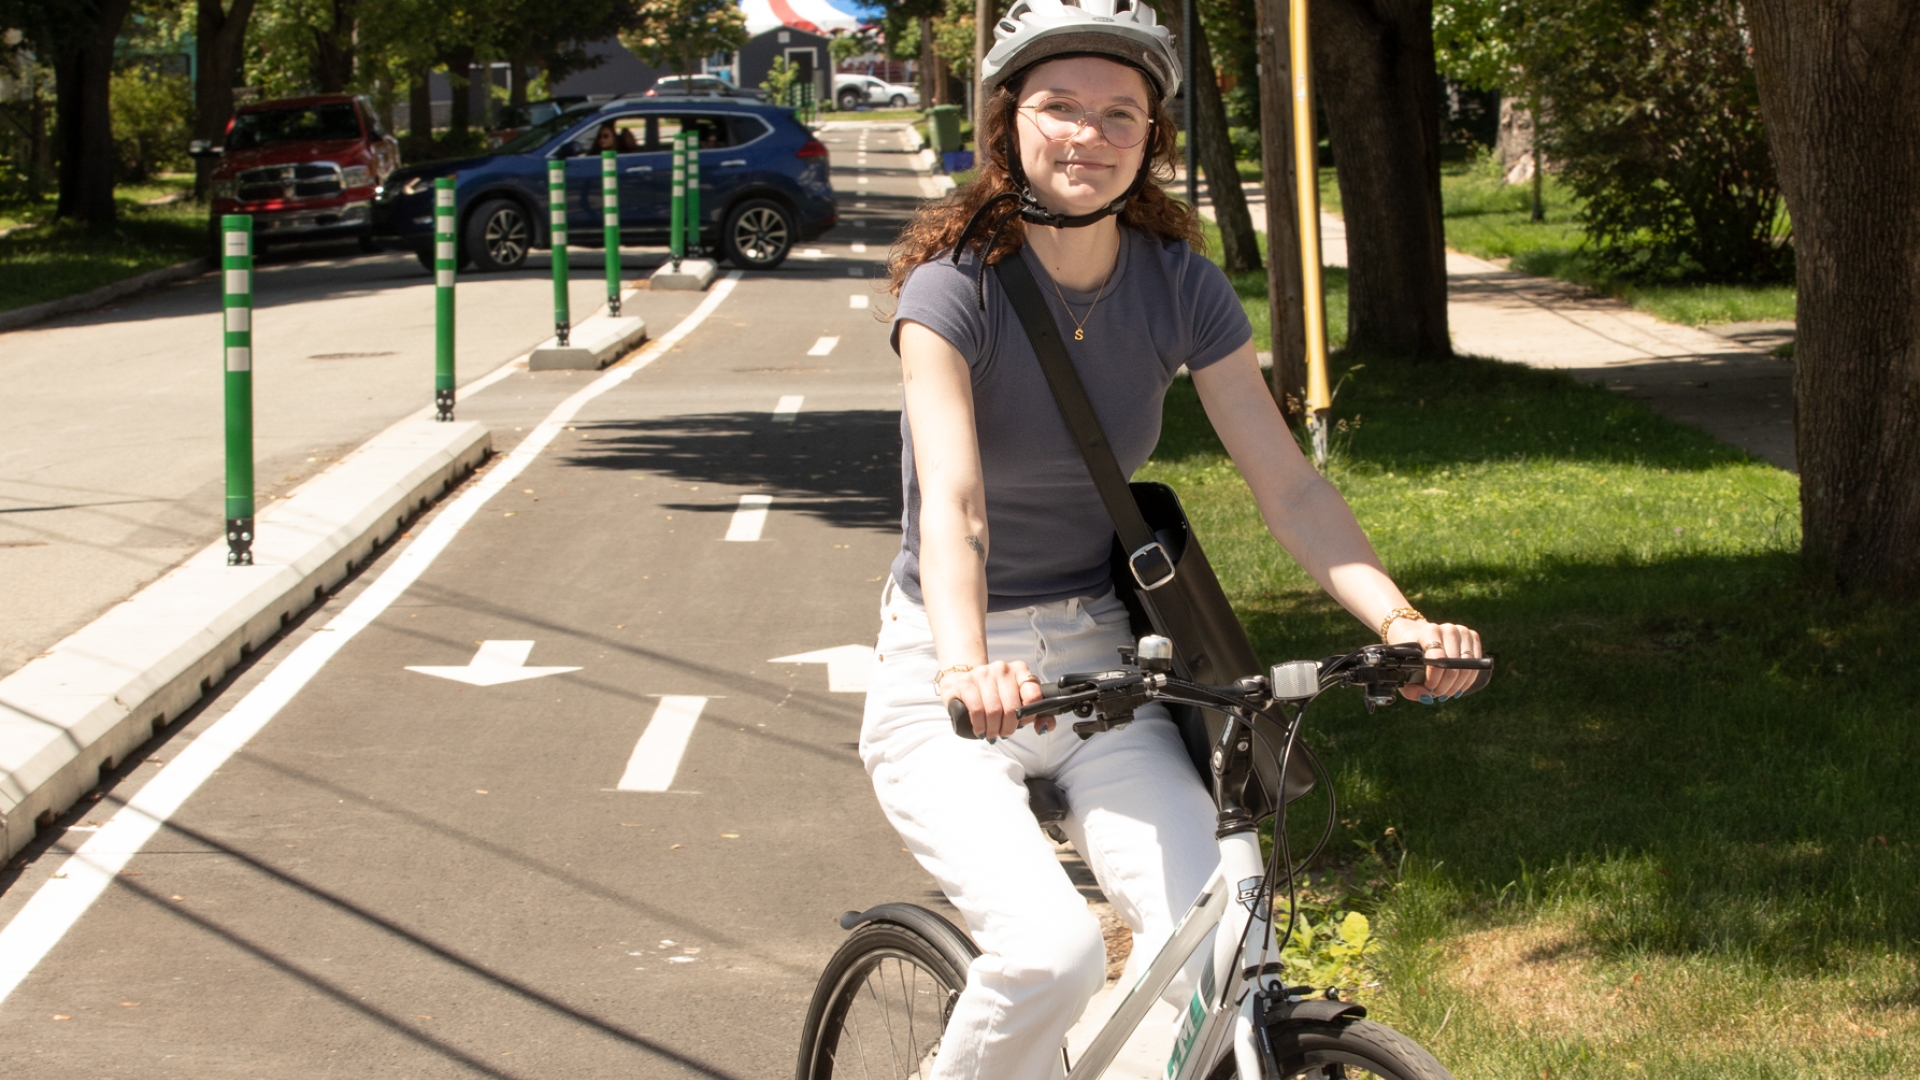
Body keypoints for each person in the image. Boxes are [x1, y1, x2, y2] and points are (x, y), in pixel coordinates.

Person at [859, 0, 1487, 1077]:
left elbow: (1286, 485)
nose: (1087, 136)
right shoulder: (951, 290)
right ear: (1010, 121)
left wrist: (1400, 619)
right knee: (1050, 955)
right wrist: (967, 668)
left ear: (1153, 139)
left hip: (1109, 662)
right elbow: (954, 505)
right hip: (948, 669)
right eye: (1059, 107)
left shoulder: (1180, 286)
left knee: (1228, 942)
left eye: (1120, 114)